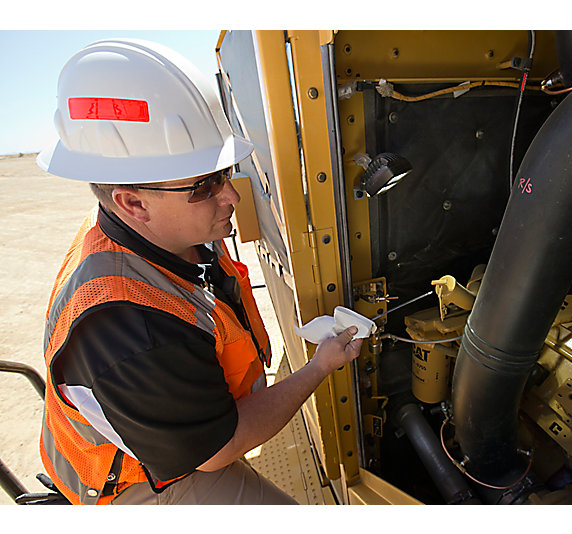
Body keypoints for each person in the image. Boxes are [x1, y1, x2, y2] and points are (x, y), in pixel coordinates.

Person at [36, 39, 362, 505]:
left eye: (225, 172)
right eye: (205, 185)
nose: (231, 196)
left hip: (180, 421)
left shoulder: (148, 227)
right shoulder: (128, 327)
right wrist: (318, 367)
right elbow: (216, 449)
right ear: (132, 202)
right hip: (140, 479)